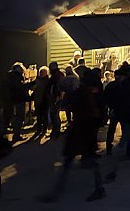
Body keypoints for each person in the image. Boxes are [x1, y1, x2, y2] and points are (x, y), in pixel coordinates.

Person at [40, 68, 106, 202]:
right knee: (79, 161)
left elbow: (82, 111)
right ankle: (60, 190)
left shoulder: (79, 94)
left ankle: (98, 188)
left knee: (83, 161)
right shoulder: (83, 92)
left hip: (82, 132)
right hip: (82, 132)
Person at [4, 63, 31, 142]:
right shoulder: (17, 77)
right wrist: (27, 85)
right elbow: (20, 88)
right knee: (19, 117)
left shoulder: (9, 76)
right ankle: (16, 135)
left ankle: (10, 133)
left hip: (10, 100)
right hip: (18, 99)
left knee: (13, 117)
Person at [32, 66, 52, 137]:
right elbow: (33, 87)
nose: (41, 74)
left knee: (45, 115)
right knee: (39, 115)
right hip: (38, 100)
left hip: (44, 100)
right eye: (41, 72)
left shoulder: (48, 81)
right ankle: (39, 128)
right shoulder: (37, 80)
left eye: (43, 72)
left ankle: (44, 128)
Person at [48, 61, 64, 138]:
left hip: (55, 97)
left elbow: (56, 87)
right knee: (55, 114)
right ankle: (56, 130)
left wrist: (57, 96)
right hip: (57, 96)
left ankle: (56, 130)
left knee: (54, 114)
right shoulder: (60, 74)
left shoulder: (55, 76)